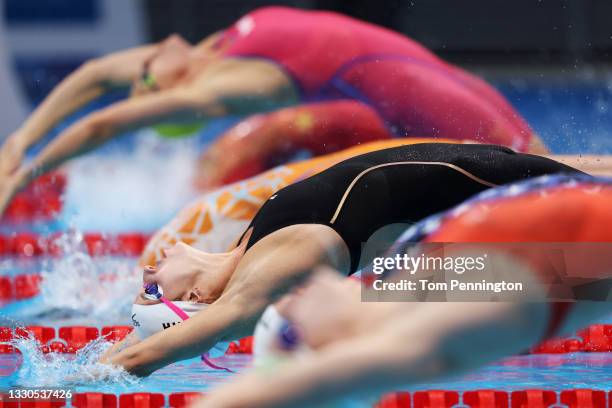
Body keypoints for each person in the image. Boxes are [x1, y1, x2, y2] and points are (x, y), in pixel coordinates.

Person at [0, 6, 550, 214]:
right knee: (532, 168)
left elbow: (95, 79)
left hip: (408, 68)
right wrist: (25, 179)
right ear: (175, 93)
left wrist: (21, 139)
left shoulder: (203, 52)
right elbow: (101, 120)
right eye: (147, 80)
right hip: (407, 89)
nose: (145, 60)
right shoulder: (224, 86)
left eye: (140, 77)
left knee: (532, 156)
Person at [100, 143, 580, 377]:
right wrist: (56, 387)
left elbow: (150, 334)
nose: (147, 270)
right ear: (197, 297)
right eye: (152, 288)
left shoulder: (249, 246)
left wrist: (139, 325)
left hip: (498, 175)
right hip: (519, 198)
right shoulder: (267, 273)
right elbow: (148, 353)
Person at [197, 174, 612, 408]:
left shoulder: (406, 275)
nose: (288, 298)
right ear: (331, 349)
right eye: (287, 325)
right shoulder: (450, 311)